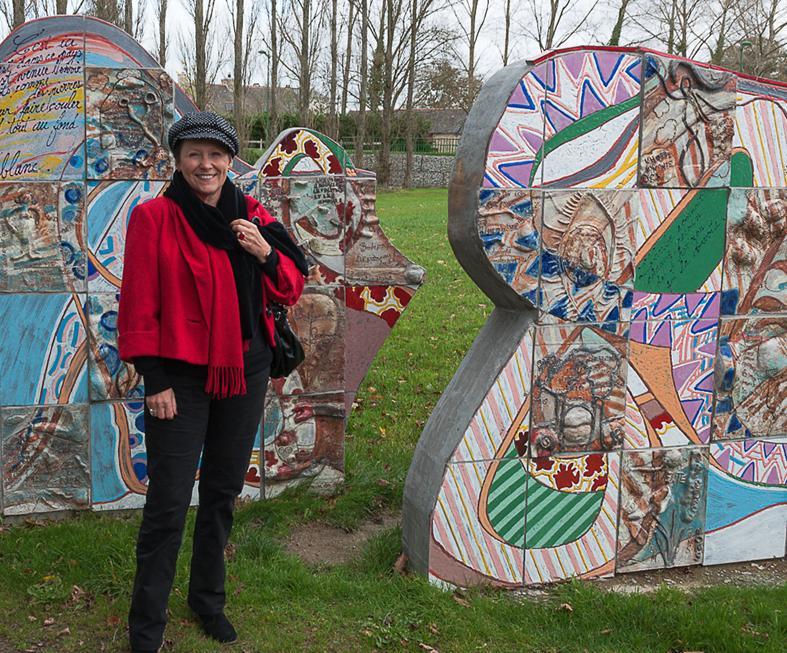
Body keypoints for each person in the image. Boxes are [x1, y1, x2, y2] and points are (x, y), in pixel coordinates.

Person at [117, 112, 307, 653]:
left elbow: (292, 282)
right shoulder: (155, 218)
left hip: (244, 370)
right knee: (169, 504)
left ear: (230, 160)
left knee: (222, 491)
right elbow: (137, 302)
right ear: (178, 159)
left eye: (216, 154)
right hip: (178, 378)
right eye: (195, 154)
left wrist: (263, 251)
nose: (206, 164)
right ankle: (146, 628)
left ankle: (207, 602)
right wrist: (153, 378)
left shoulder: (251, 213)